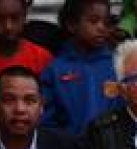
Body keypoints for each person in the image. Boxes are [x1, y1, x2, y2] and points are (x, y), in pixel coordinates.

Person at [40, 0, 121, 135]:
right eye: (94, 21)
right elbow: (47, 119)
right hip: (69, 145)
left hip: (113, 145)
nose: (101, 28)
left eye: (106, 22)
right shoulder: (55, 69)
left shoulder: (117, 64)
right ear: (72, 25)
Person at [0, 0, 53, 122]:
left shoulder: (42, 57)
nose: (8, 26)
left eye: (15, 18)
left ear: (25, 16)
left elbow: (48, 106)